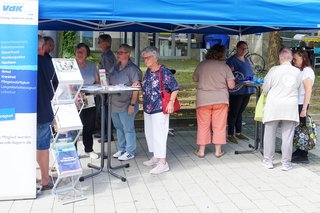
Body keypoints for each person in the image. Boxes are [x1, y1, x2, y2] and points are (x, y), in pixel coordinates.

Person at [141, 46, 179, 174]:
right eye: (144, 58)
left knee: (159, 134)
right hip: (148, 107)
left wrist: (171, 103)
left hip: (159, 107)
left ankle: (163, 162)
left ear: (155, 57)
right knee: (150, 133)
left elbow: (175, 87)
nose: (145, 60)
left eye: (147, 57)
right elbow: (147, 85)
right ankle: (156, 156)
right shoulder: (148, 71)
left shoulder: (163, 71)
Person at [262, 48, 301, 171]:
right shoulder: (297, 72)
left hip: (274, 105)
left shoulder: (274, 70)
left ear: (280, 58)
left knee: (269, 134)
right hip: (290, 106)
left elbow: (265, 88)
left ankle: (268, 161)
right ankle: (286, 163)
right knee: (287, 136)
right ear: (291, 58)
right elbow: (298, 87)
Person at [193, 44, 235, 158]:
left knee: (203, 125)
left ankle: (201, 151)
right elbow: (231, 86)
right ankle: (218, 151)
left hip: (203, 100)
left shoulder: (202, 65)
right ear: (222, 54)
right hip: (220, 99)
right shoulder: (225, 67)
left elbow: (195, 78)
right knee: (219, 126)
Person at [109, 44, 142, 161]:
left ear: (128, 54)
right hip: (114, 102)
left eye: (121, 52)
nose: (118, 54)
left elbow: (136, 88)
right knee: (118, 127)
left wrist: (132, 105)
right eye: (117, 52)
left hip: (127, 104)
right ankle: (122, 148)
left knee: (128, 128)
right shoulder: (115, 67)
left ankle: (130, 151)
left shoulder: (133, 69)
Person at [37, 35, 58, 189]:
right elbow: (56, 85)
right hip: (44, 110)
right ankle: (45, 178)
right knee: (43, 147)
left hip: (22, 112)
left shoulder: (22, 61)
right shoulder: (49, 63)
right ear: (43, 47)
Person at [226, 41, 255, 144]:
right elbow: (228, 75)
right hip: (237, 91)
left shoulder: (246, 59)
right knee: (234, 112)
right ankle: (230, 134)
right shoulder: (231, 61)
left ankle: (238, 132)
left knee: (240, 111)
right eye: (242, 48)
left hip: (247, 89)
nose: (244, 50)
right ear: (237, 48)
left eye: (246, 49)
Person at [75, 43, 100, 159]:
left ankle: (89, 149)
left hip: (89, 98)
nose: (79, 53)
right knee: (74, 126)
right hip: (74, 98)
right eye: (78, 51)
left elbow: (97, 81)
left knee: (88, 125)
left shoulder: (91, 65)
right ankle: (73, 152)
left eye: (82, 51)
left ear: (87, 54)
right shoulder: (72, 65)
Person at [292, 49, 315, 164]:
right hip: (298, 102)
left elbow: (308, 90)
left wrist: (304, 108)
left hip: (302, 103)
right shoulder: (301, 71)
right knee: (299, 128)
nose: (294, 61)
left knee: (303, 129)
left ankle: (303, 154)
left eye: (295, 59)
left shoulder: (307, 71)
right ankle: (298, 150)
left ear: (303, 58)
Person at [98, 34, 116, 142]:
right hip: (105, 85)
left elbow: (108, 73)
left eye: (99, 41)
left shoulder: (107, 56)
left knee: (105, 110)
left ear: (106, 43)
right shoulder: (106, 55)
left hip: (106, 86)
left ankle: (108, 135)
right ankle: (105, 133)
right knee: (104, 110)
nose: (98, 44)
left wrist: (105, 85)